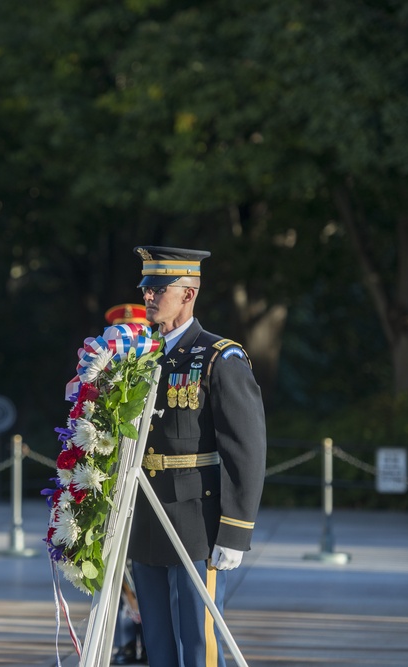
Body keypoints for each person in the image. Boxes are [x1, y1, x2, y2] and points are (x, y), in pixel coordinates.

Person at [127, 247, 266, 667]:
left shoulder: (219, 357)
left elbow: (246, 449)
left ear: (188, 294)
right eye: (146, 289)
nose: (148, 297)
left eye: (158, 290)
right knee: (158, 642)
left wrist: (235, 530)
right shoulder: (137, 356)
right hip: (146, 517)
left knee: (197, 642)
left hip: (196, 521)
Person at [104, 304, 150, 665]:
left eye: (136, 334)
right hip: (113, 490)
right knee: (117, 573)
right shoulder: (97, 379)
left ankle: (148, 640)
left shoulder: (158, 373)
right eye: (122, 336)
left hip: (152, 492)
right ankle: (123, 641)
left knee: (145, 572)